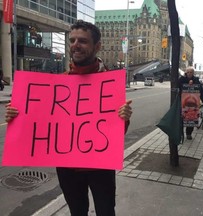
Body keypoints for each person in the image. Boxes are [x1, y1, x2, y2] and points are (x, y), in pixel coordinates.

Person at [5, 20, 133, 216]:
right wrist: (16, 115)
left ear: (97, 46)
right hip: (67, 167)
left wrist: (123, 118)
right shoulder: (59, 83)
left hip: (100, 165)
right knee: (77, 212)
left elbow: (116, 133)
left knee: (106, 211)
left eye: (82, 41)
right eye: (72, 40)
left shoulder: (110, 84)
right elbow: (38, 122)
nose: (75, 45)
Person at [179, 67, 203, 140]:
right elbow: (177, 88)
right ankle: (181, 133)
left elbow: (201, 92)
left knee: (191, 118)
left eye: (191, 72)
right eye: (188, 72)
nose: (189, 74)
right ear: (186, 72)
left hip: (193, 102)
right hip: (183, 102)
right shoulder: (182, 80)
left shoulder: (196, 80)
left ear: (193, 73)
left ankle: (189, 133)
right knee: (181, 118)